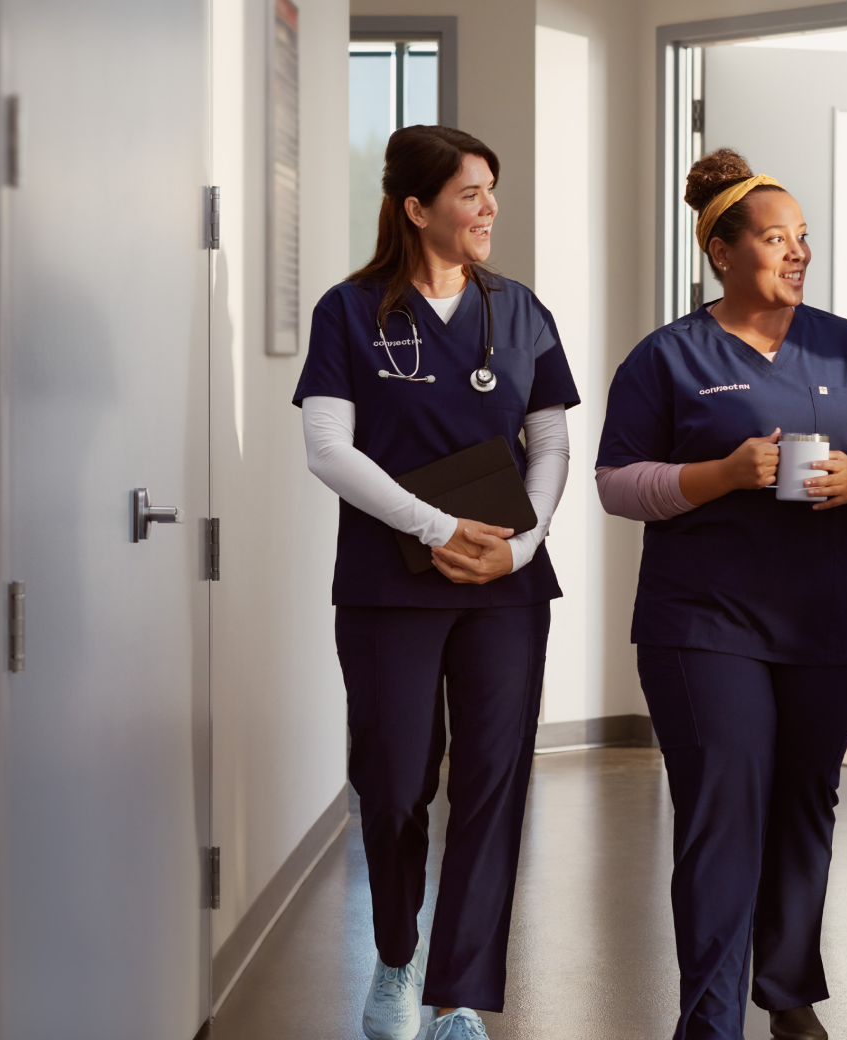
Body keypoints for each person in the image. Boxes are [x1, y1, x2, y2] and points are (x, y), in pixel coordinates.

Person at [595, 149, 847, 1040]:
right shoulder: (667, 357)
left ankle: (785, 992)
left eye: (804, 238)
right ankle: (708, 1020)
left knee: (806, 804)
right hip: (704, 622)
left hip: (828, 617)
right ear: (723, 252)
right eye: (777, 238)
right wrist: (722, 474)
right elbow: (617, 483)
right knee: (723, 809)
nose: (798, 252)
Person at [293, 124, 579, 1040]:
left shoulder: (522, 311)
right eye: (470, 193)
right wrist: (437, 526)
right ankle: (392, 953)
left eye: (492, 189)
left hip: (504, 586)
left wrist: (520, 546)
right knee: (394, 778)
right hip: (391, 584)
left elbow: (552, 442)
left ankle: (455, 996)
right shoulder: (350, 311)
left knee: (493, 780)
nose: (489, 208)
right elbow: (327, 448)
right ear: (417, 209)